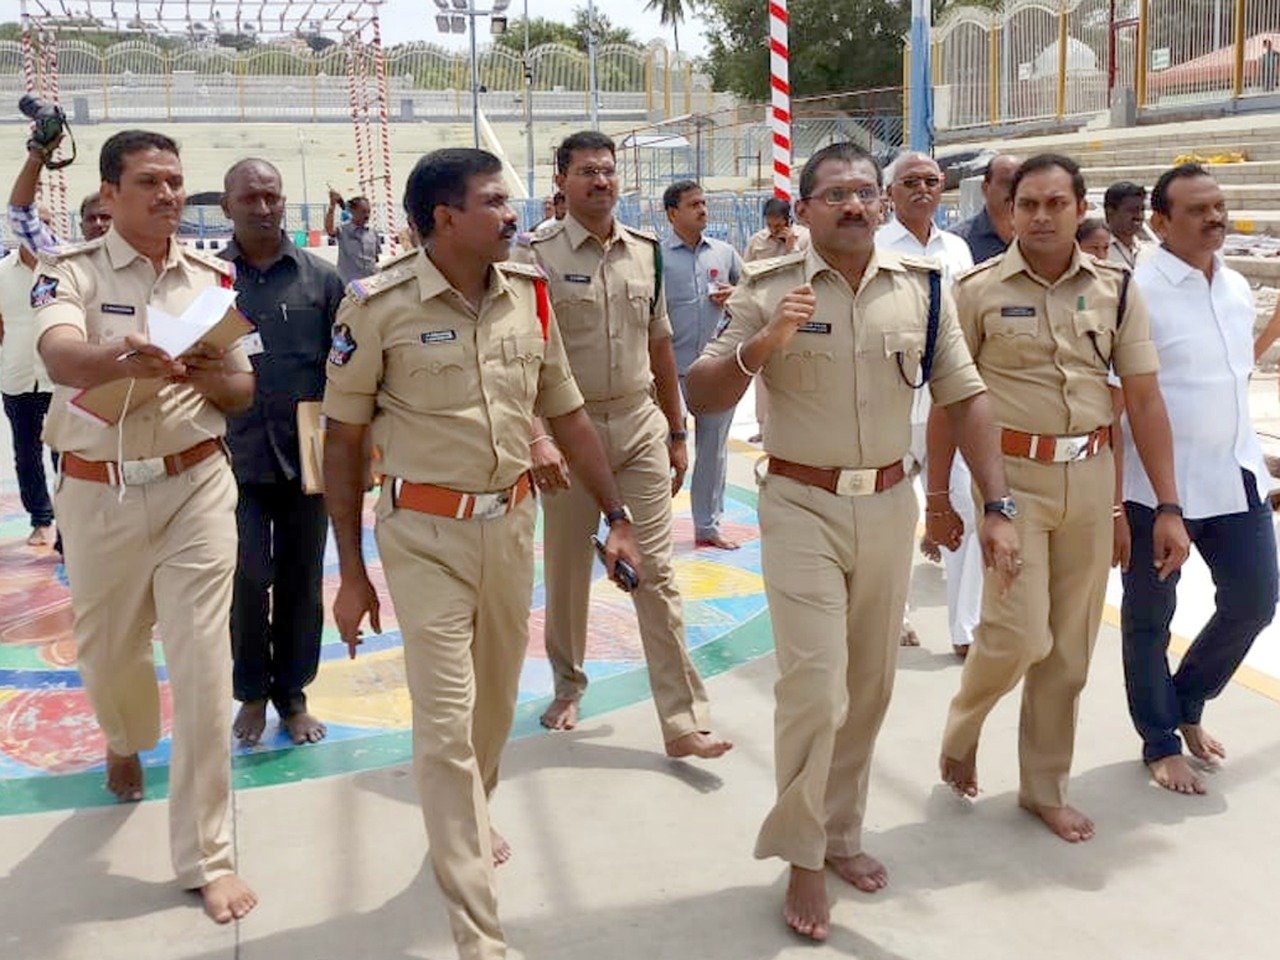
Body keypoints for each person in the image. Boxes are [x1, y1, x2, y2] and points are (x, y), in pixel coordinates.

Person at [686, 142, 1020, 942]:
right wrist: (761, 347)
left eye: (864, 192)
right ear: (803, 211)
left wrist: (994, 502)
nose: (854, 205)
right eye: (833, 193)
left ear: (881, 204)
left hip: (888, 504)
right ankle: (803, 854)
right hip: (800, 501)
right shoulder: (770, 289)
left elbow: (966, 397)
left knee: (870, 686)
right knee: (815, 685)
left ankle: (840, 831)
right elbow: (701, 390)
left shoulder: (925, 292)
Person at [323, 147, 642, 960]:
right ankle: (479, 933)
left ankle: (466, 816)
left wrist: (618, 515)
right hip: (420, 535)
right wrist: (353, 572)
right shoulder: (376, 306)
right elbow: (343, 440)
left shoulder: (529, 298)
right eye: (496, 201)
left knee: (494, 708)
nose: (514, 212)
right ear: (444, 217)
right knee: (444, 723)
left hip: (511, 528)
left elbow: (565, 412)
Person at [928, 153, 1191, 843]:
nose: (1041, 216)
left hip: (1091, 477)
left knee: (1069, 652)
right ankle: (963, 724)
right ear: (1008, 212)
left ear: (1080, 209)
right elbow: (947, 401)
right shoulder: (976, 291)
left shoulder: (1117, 288)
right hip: (1011, 482)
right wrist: (938, 496)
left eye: (1056, 203)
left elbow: (1142, 398)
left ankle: (1043, 787)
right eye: (1028, 204)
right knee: (1017, 634)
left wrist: (1163, 506)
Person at [33, 129, 258, 922]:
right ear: (110, 194)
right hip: (101, 495)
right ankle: (124, 734)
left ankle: (208, 855)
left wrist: (212, 371)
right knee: (111, 656)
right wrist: (115, 357)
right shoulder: (70, 271)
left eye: (175, 181)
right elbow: (60, 355)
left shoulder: (212, 278)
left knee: (204, 669)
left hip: (197, 483)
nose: (168, 195)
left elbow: (240, 389)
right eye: (150, 182)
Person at [516, 130, 731, 758]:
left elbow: (661, 344)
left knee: (656, 570)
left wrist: (676, 428)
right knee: (565, 571)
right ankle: (568, 684)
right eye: (585, 171)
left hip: (637, 427)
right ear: (560, 180)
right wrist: (536, 436)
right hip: (568, 434)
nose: (600, 181)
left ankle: (682, 718)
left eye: (607, 170)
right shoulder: (535, 257)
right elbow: (522, 356)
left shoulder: (646, 253)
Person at [1118, 163, 1278, 795]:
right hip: (1158, 492)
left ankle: (1185, 702)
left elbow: (1232, 375)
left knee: (1255, 601)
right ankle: (1159, 739)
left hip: (1236, 475)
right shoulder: (1136, 294)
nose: (1214, 218)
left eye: (1219, 206)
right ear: (1160, 223)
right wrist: (1155, 505)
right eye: (1197, 210)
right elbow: (1121, 403)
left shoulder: (1235, 287)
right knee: (1149, 619)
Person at [219, 158, 345, 747]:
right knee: (246, 579)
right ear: (227, 206)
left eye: (272, 196)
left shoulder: (322, 281)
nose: (263, 207)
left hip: (308, 456)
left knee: (302, 579)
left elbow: (348, 366)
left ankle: (293, 695)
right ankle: (250, 693)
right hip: (228, 458)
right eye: (250, 198)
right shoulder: (206, 280)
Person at [876, 150, 979, 656]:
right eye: (910, 181)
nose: (922, 189)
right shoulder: (871, 247)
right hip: (891, 404)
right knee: (895, 518)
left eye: (931, 181)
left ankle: (966, 628)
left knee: (968, 510)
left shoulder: (958, 250)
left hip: (950, 404)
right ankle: (896, 615)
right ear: (889, 193)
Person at [661, 178, 743, 549]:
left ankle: (707, 527)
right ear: (672, 213)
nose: (703, 210)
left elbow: (754, 291)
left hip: (714, 368)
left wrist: (735, 295)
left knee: (713, 448)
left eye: (704, 203)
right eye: (694, 205)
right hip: (667, 370)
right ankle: (653, 524)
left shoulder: (724, 254)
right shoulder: (656, 257)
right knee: (661, 449)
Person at [0, 208, 57, 545]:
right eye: (37, 223)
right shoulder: (2, 272)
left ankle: (71, 521)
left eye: (47, 223)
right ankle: (41, 518)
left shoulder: (62, 269)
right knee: (26, 452)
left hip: (59, 375)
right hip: (17, 375)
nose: (41, 230)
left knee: (64, 450)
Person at [8, 138, 112, 253]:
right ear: (81, 228)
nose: (98, 224)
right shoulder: (71, 261)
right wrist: (37, 155)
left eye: (105, 217)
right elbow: (22, 216)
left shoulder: (135, 256)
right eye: (91, 219)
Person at [951, 154, 1022, 264]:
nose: (1014, 191)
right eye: (1006, 183)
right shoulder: (957, 242)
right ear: (985, 188)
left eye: (1019, 184)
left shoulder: (1037, 235)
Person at [325, 189, 379, 284]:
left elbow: (376, 259)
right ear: (353, 211)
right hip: (349, 286)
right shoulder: (344, 231)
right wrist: (332, 205)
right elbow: (330, 230)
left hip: (370, 284)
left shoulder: (373, 233)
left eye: (368, 212)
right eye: (363, 212)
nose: (367, 215)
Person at [743, 197, 810, 262]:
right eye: (769, 225)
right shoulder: (757, 240)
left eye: (778, 226)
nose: (773, 230)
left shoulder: (804, 237)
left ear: (787, 221)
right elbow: (745, 268)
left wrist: (792, 248)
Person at [1103, 181, 1151, 269]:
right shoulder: (1097, 251)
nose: (1139, 216)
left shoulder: (1149, 252)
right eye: (1132, 210)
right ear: (1110, 212)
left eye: (1142, 210)